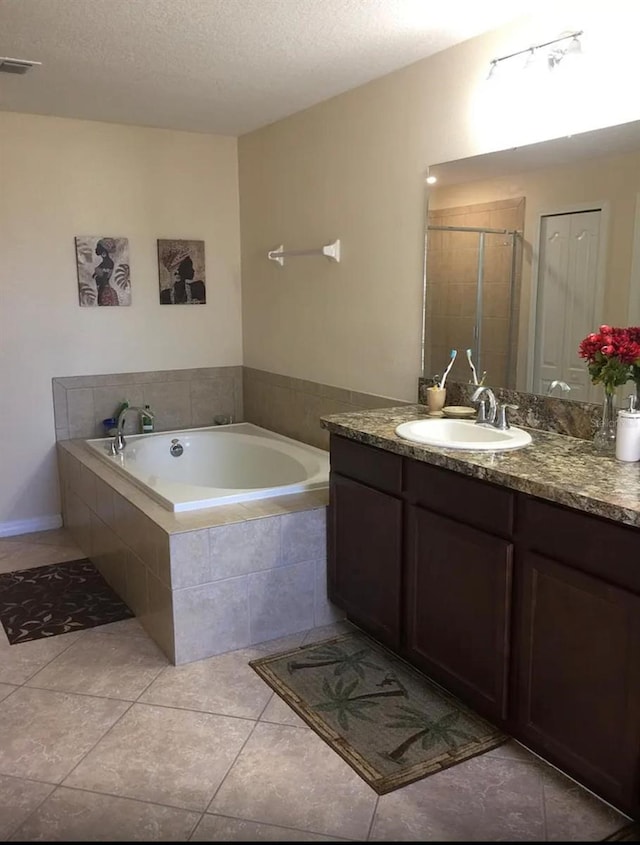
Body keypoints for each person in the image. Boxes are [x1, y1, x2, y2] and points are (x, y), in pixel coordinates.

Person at [93, 238, 119, 306]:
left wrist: (100, 293)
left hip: (103, 288)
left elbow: (105, 277)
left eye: (98, 248)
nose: (96, 249)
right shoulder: (104, 262)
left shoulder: (108, 263)